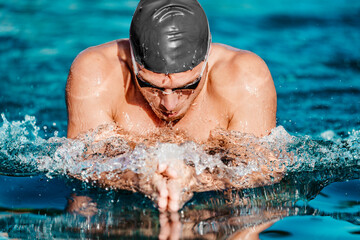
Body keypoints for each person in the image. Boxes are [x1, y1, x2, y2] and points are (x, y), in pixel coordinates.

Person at [66, 0, 277, 212]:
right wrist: (137, 178)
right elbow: (82, 168)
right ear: (132, 60)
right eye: (151, 86)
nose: (169, 104)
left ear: (206, 60)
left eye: (187, 86)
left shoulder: (246, 78)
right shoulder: (96, 73)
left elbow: (262, 173)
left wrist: (196, 180)